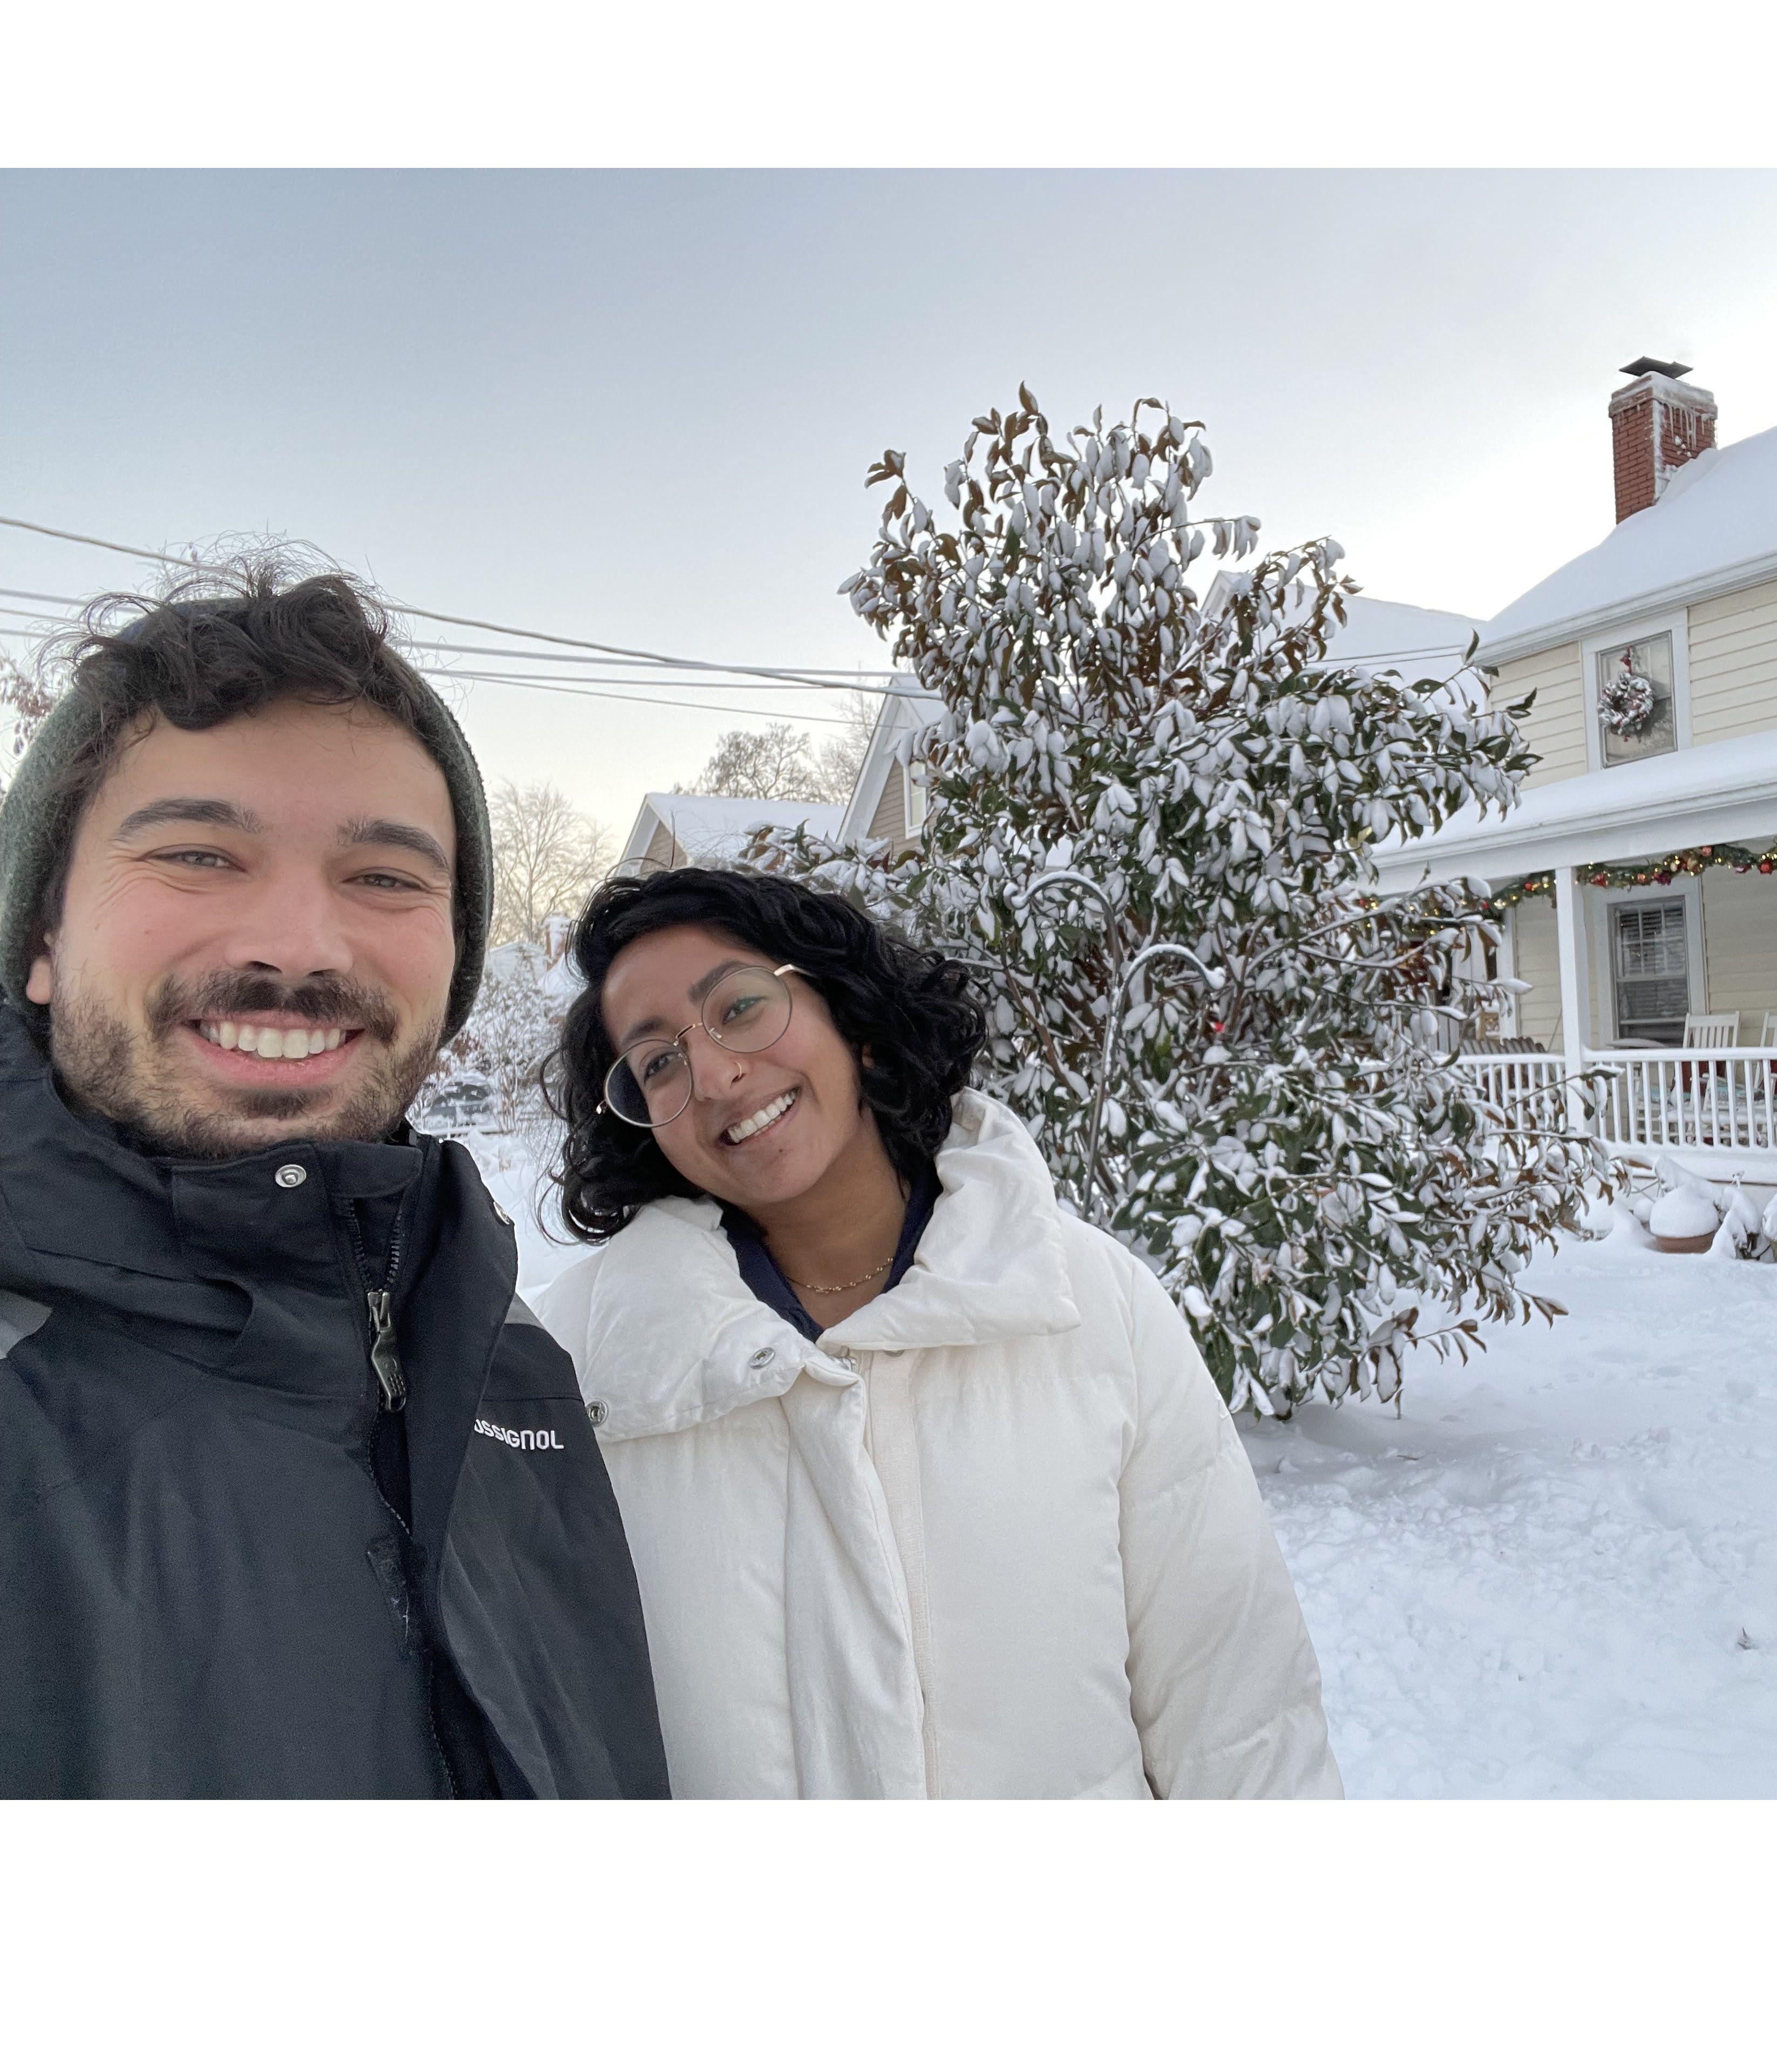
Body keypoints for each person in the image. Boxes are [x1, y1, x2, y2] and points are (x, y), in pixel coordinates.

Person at [0, 562, 669, 1798]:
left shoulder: (502, 1351)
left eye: (385, 877)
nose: (300, 948)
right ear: (42, 942)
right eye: (198, 854)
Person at [535, 865, 1341, 1799]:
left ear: (854, 1022)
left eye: (742, 1008)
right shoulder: (585, 1365)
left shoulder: (1092, 1306)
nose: (714, 1072)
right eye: (659, 1063)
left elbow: (1239, 1714)